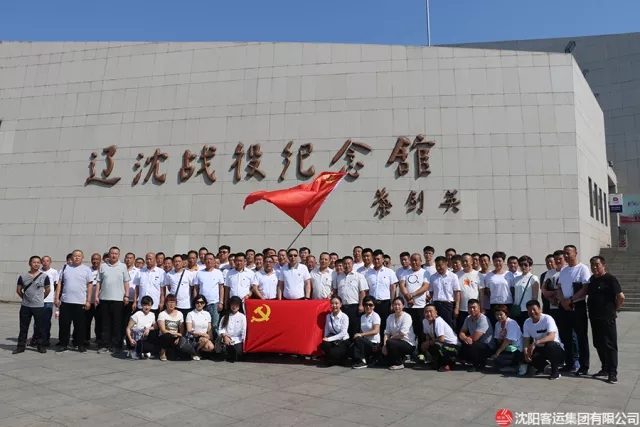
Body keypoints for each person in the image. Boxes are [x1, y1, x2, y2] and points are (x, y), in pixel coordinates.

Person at [587, 256, 624, 384]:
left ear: (603, 265)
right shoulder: (592, 279)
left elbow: (621, 296)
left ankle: (613, 373)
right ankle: (605, 368)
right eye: (592, 265)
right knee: (598, 343)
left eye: (597, 265)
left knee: (610, 345)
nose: (594, 267)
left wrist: (614, 309)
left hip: (607, 317)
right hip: (594, 317)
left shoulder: (610, 279)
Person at [557, 245, 590, 375]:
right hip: (564, 306)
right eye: (564, 253)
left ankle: (584, 366)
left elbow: (585, 288)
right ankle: (569, 363)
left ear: (576, 253)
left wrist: (571, 300)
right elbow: (559, 288)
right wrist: (562, 301)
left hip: (577, 306)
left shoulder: (583, 268)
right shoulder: (564, 271)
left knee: (581, 337)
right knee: (566, 337)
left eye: (568, 253)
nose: (566, 256)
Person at [55, 250, 93, 353]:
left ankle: (79, 344)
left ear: (82, 257)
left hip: (80, 302)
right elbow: (59, 283)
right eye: (75, 256)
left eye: (79, 256)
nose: (77, 257)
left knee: (80, 326)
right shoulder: (65, 268)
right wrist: (57, 298)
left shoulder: (86, 270)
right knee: (64, 325)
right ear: (72, 257)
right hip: (66, 301)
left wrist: (88, 300)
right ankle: (63, 344)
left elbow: (89, 285)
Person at [95, 246, 131, 354]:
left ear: (119, 255)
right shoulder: (103, 266)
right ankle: (104, 344)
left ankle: (116, 345)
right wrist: (96, 296)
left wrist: (126, 296)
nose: (114, 255)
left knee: (117, 324)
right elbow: (98, 282)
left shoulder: (123, 266)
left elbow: (126, 282)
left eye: (116, 253)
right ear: (109, 254)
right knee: (104, 323)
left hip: (118, 300)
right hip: (104, 298)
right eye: (112, 253)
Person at [14, 256, 51, 354]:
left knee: (40, 327)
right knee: (23, 327)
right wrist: (25, 298)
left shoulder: (44, 277)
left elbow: (48, 290)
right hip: (25, 306)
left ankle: (40, 346)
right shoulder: (23, 276)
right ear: (29, 263)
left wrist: (40, 299)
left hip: (38, 307)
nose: (36, 264)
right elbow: (18, 290)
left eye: (38, 262)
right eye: (34, 262)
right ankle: (20, 347)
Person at [522, 300, 564, 380]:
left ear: (540, 309)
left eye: (534, 309)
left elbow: (551, 337)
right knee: (526, 355)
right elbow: (526, 340)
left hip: (554, 347)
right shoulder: (527, 322)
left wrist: (535, 343)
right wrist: (526, 353)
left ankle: (555, 372)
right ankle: (543, 367)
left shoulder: (547, 319)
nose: (532, 312)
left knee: (551, 346)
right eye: (529, 310)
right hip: (540, 347)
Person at [458, 299, 495, 372]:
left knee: (472, 345)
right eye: (470, 308)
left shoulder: (483, 319)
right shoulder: (468, 318)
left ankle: (477, 364)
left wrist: (466, 338)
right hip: (475, 342)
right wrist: (465, 338)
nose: (472, 310)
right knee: (464, 343)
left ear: (479, 308)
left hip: (488, 346)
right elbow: (461, 332)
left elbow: (475, 338)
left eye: (474, 307)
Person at [421, 303, 459, 372]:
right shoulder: (424, 321)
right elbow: (427, 335)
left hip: (453, 346)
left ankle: (449, 363)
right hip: (442, 344)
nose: (428, 314)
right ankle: (437, 361)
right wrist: (426, 344)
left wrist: (428, 343)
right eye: (426, 312)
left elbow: (441, 339)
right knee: (429, 345)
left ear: (436, 313)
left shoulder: (438, 321)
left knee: (437, 345)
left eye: (430, 311)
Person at [381, 297, 416, 370]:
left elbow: (402, 334)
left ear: (403, 306)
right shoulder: (390, 317)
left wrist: (389, 341)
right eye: (395, 304)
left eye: (399, 304)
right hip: (394, 342)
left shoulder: (407, 317)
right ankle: (399, 358)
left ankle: (399, 363)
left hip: (407, 343)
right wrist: (384, 346)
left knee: (390, 342)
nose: (397, 306)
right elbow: (386, 333)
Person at [157, 294, 194, 361]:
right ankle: (162, 352)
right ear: (166, 303)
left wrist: (179, 337)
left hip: (176, 337)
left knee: (176, 357)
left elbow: (181, 329)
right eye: (169, 302)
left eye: (173, 302)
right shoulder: (162, 314)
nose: (171, 304)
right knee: (167, 336)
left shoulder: (180, 314)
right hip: (165, 337)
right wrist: (176, 334)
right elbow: (163, 330)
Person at [193, 253, 225, 332]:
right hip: (202, 303)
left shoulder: (218, 273)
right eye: (207, 259)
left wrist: (221, 302)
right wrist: (195, 301)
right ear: (204, 261)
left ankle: (214, 340)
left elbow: (221, 288)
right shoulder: (199, 273)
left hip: (214, 303)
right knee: (202, 324)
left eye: (211, 259)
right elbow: (196, 289)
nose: (209, 261)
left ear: (214, 261)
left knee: (214, 325)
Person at [488, 305, 523, 374]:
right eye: (497, 315)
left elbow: (508, 340)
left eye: (501, 314)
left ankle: (515, 366)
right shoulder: (497, 324)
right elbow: (498, 341)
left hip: (516, 349)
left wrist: (497, 353)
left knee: (497, 360)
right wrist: (501, 337)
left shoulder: (512, 323)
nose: (499, 316)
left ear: (506, 314)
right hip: (506, 348)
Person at [31, 255, 58, 347]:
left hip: (48, 300)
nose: (45, 262)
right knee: (37, 321)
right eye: (43, 261)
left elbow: (56, 285)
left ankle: (45, 339)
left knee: (46, 321)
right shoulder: (38, 272)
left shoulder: (54, 272)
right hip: (38, 300)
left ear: (50, 262)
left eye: (47, 261)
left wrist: (55, 297)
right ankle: (35, 338)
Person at [428, 256, 461, 329]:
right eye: (437, 266)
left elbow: (457, 292)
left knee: (449, 327)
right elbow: (431, 292)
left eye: (440, 265)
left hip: (448, 305)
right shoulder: (433, 277)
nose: (438, 268)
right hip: (436, 305)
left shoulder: (453, 276)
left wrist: (457, 307)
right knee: (437, 326)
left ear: (446, 264)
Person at [319, 296, 351, 367]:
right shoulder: (328, 316)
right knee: (324, 345)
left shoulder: (344, 317)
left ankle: (340, 359)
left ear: (340, 305)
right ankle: (332, 360)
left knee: (332, 352)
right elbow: (327, 329)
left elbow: (343, 333)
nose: (334, 305)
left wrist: (329, 339)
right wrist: (325, 339)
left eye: (336, 303)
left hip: (343, 340)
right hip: (333, 340)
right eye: (332, 303)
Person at [351, 296, 381, 369]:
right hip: (365, 341)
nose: (368, 307)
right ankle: (359, 359)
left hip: (373, 343)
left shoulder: (375, 316)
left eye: (370, 305)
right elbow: (362, 330)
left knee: (358, 338)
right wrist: (359, 335)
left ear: (374, 306)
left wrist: (361, 334)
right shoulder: (362, 317)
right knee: (353, 343)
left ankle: (362, 361)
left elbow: (376, 331)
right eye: (366, 304)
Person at [125, 296, 158, 360]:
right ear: (142, 305)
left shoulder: (152, 314)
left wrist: (148, 329)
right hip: (135, 338)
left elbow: (156, 327)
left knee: (154, 335)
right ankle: (133, 350)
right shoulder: (137, 315)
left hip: (144, 338)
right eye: (145, 305)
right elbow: (128, 328)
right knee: (140, 346)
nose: (147, 307)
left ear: (151, 306)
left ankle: (144, 351)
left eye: (149, 305)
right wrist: (130, 339)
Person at [511, 256, 539, 328]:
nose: (523, 267)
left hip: (527, 309)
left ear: (530, 266)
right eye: (521, 265)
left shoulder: (533, 278)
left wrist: (533, 309)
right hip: (517, 309)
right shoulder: (516, 279)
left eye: (525, 265)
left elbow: (535, 296)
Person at [218, 296, 247, 363]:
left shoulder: (242, 317)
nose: (234, 307)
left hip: (238, 339)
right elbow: (221, 328)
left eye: (236, 305)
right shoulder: (225, 316)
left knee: (238, 352)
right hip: (227, 338)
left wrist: (243, 342)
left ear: (239, 306)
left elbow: (244, 330)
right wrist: (225, 337)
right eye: (233, 304)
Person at [186, 295, 214, 360]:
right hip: (194, 336)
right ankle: (194, 352)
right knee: (204, 340)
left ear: (204, 304)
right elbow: (189, 330)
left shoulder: (207, 314)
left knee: (211, 347)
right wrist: (202, 334)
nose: (199, 304)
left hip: (205, 337)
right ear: (194, 303)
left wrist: (211, 338)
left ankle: (198, 351)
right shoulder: (190, 314)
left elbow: (209, 328)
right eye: (197, 302)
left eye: (201, 302)